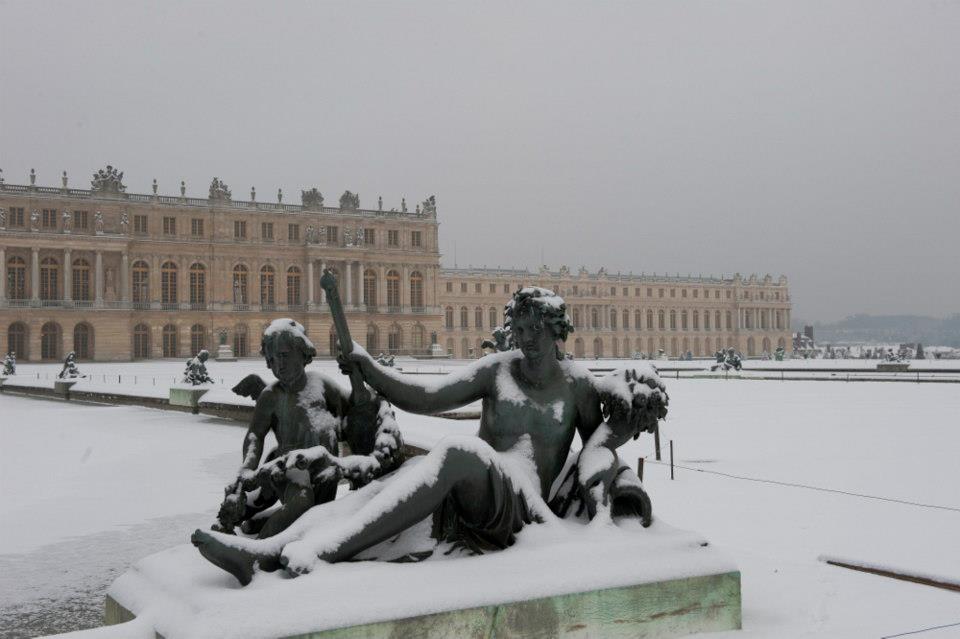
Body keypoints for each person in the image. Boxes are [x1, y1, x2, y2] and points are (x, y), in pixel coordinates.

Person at [192, 290, 666, 585]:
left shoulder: (578, 385)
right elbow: (426, 396)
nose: (526, 338)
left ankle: (321, 552)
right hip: (472, 481)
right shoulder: (498, 369)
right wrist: (372, 370)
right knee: (380, 489)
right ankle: (266, 555)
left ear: (556, 330)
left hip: (518, 504)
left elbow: (592, 453)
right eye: (519, 328)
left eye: (535, 329)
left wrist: (615, 441)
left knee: (456, 451)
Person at [204, 319, 402, 543]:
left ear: (303, 353)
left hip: (324, 471)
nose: (278, 364)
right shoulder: (271, 396)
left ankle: (260, 523)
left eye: (284, 355)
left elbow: (356, 410)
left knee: (315, 517)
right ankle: (261, 549)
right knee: (302, 499)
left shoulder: (321, 385)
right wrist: (247, 467)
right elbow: (255, 435)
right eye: (272, 359)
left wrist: (355, 375)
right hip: (288, 470)